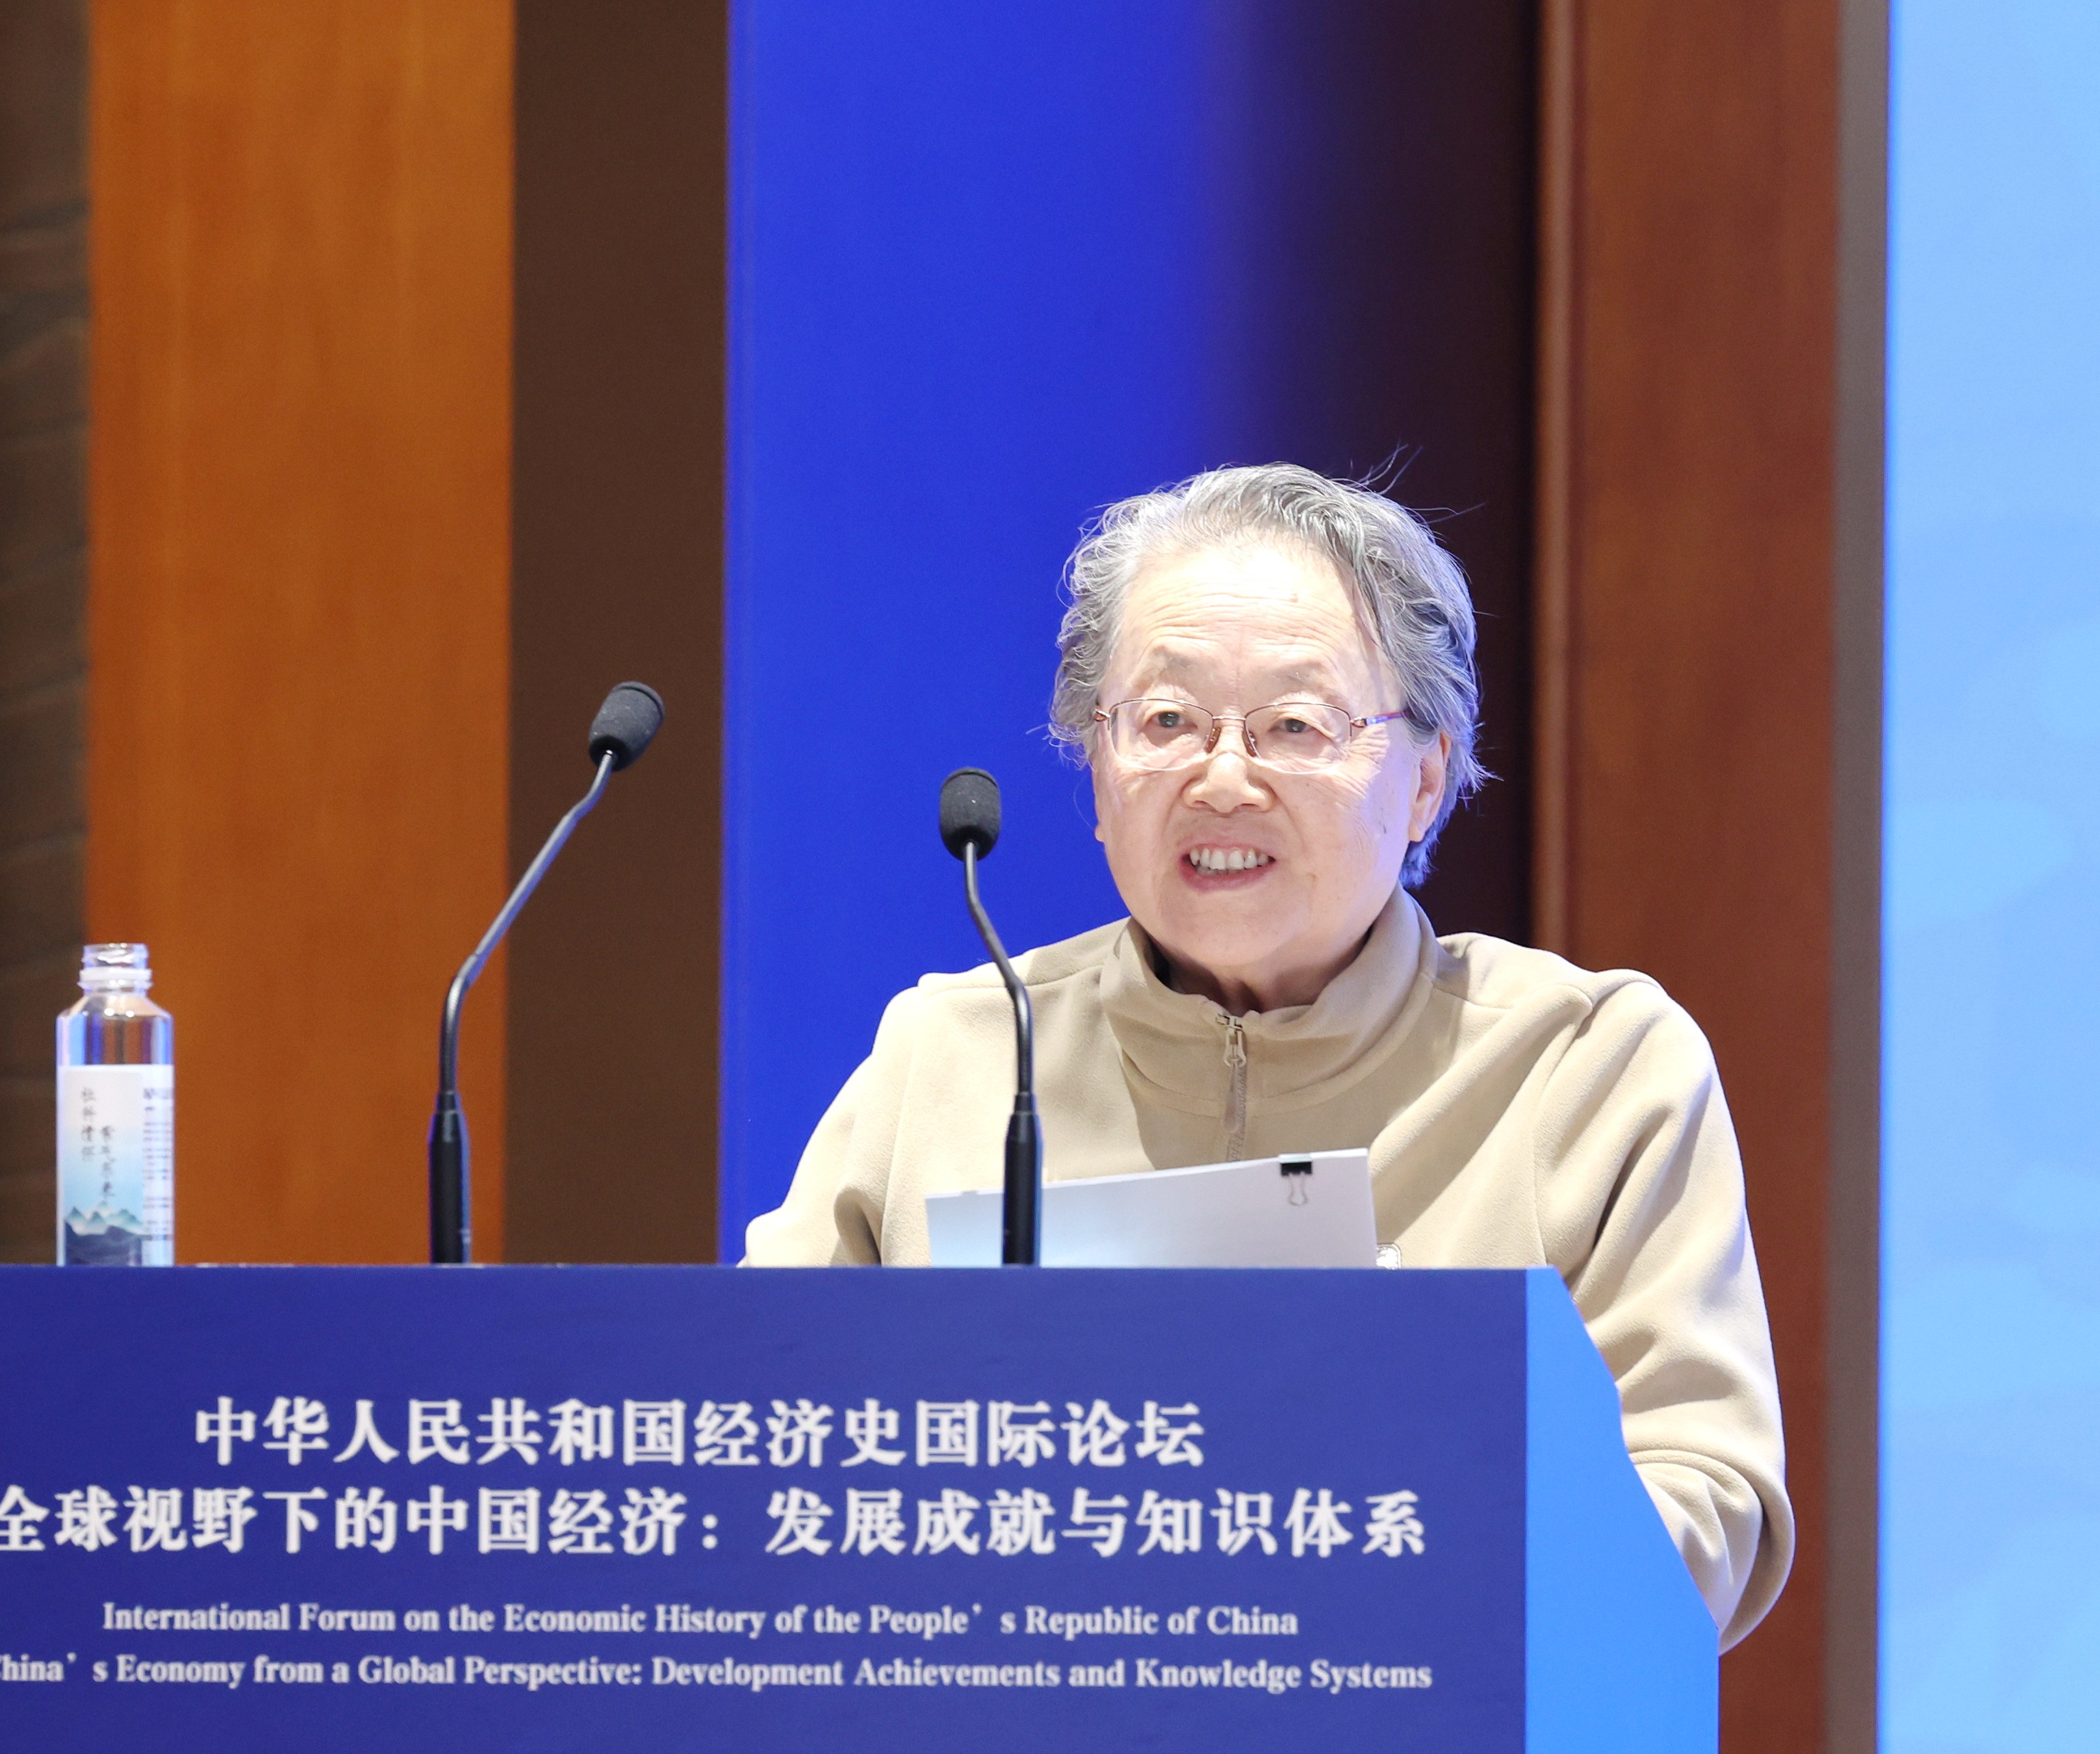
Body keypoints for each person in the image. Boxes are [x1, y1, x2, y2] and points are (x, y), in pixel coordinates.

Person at [743, 463, 1791, 1647]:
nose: (1224, 778)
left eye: (1295, 725)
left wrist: (1377, 1553)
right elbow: (756, 1445)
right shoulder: (958, 1049)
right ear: (1098, 772)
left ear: (1425, 780)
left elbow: (1706, 1506)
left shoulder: (1587, 1067)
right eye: (1166, 722)